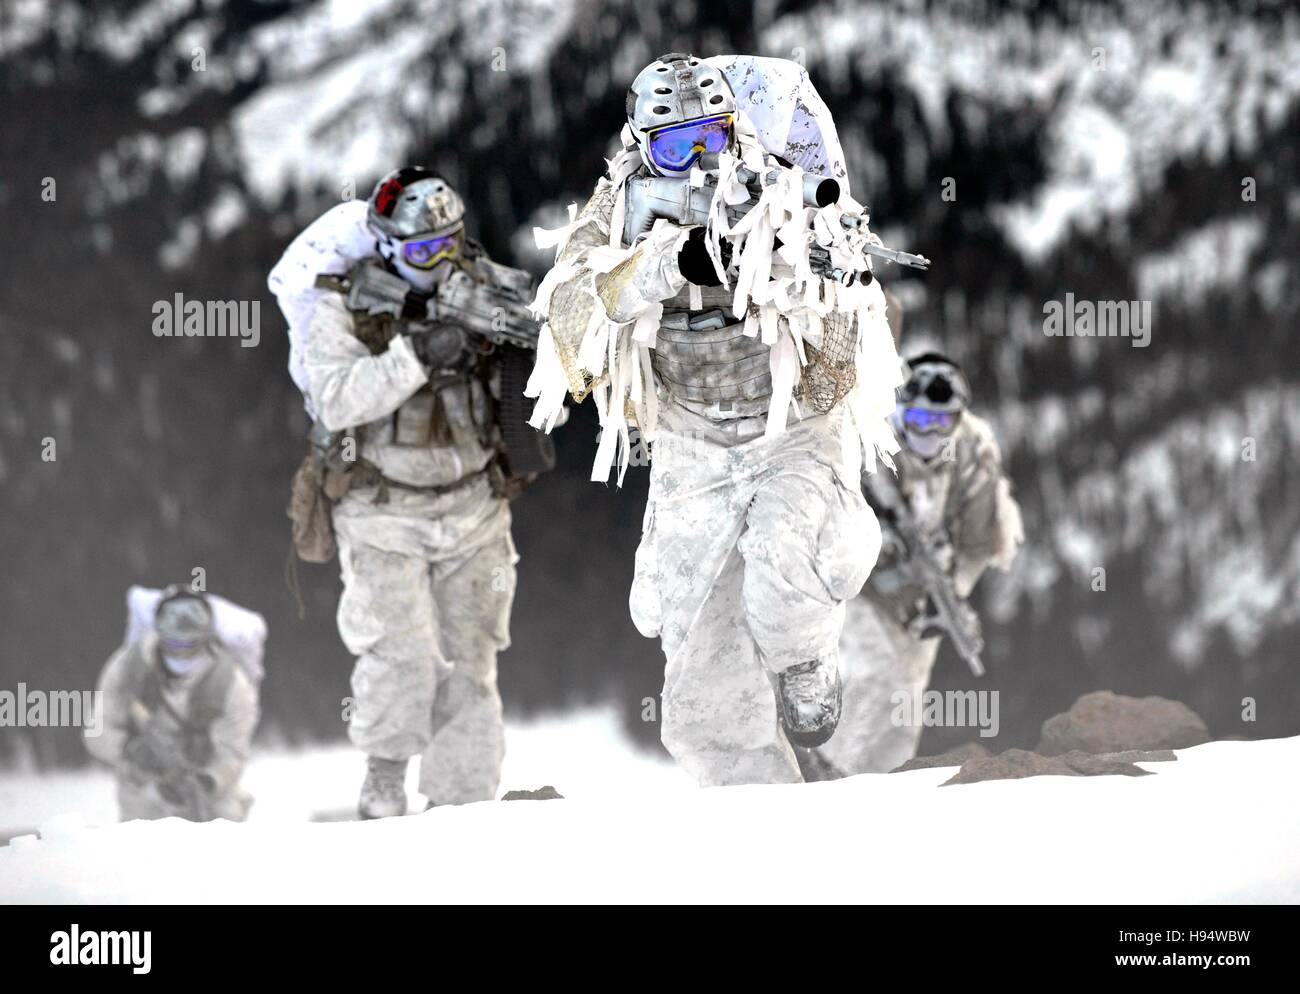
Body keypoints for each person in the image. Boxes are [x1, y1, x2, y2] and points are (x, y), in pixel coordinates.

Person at [526, 54, 904, 786]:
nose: (698, 159)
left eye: (711, 137)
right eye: (674, 146)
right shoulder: (617, 207)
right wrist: (666, 266)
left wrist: (798, 261)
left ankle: (804, 661)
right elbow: (570, 317)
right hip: (692, 443)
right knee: (700, 686)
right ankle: (750, 819)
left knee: (783, 581)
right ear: (641, 146)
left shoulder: (776, 186)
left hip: (791, 424)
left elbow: (845, 316)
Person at [273, 168, 528, 818]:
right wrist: (417, 355)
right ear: (386, 246)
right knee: (401, 654)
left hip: (474, 503)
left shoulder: (478, 285)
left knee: (473, 660)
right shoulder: (345, 307)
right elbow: (334, 398)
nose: (438, 261)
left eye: (449, 243)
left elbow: (550, 339)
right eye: (421, 251)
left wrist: (513, 328)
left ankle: (463, 802)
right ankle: (384, 777)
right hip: (382, 507)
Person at [814, 353, 1023, 776]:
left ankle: (881, 786)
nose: (928, 431)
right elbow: (823, 504)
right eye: (918, 419)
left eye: (940, 423)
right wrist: (877, 540)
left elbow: (982, 545)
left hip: (918, 599)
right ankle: (827, 777)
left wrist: (948, 591)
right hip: (855, 585)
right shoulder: (867, 433)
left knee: (904, 708)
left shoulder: (975, 456)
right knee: (871, 677)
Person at [87, 585, 262, 822]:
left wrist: (206, 783)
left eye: (193, 619)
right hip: (142, 796)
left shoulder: (231, 682)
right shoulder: (127, 668)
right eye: (172, 618)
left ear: (209, 629)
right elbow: (97, 732)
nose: (182, 631)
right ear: (157, 625)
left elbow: (233, 752)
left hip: (211, 799)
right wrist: (130, 749)